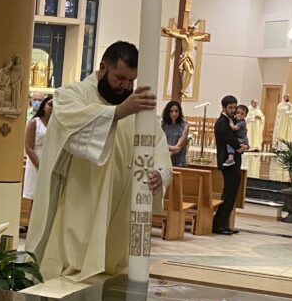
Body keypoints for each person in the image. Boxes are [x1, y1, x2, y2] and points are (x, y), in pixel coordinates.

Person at [26, 41, 170, 282]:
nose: (125, 86)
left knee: (113, 278)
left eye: (131, 81)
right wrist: (119, 112)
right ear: (103, 67)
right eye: (119, 78)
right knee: (70, 277)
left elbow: (158, 143)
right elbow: (72, 128)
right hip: (80, 200)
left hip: (122, 208)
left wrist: (160, 173)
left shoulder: (137, 107)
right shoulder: (72, 94)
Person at [212, 95, 245, 235]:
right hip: (227, 162)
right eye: (230, 107)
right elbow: (230, 139)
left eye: (234, 107)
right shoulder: (222, 122)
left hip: (234, 161)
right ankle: (217, 225)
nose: (233, 110)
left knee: (231, 194)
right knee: (229, 193)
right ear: (223, 107)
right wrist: (240, 146)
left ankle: (223, 224)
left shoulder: (232, 120)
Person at [23, 94, 53, 200]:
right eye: (50, 105)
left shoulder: (56, 125)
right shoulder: (34, 122)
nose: (52, 108)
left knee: (47, 196)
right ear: (43, 106)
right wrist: (40, 166)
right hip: (36, 160)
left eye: (55, 106)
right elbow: (28, 147)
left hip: (50, 160)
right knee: (35, 196)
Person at [161, 100, 190, 168]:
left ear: (179, 112)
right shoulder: (163, 125)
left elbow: (178, 146)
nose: (174, 114)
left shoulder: (185, 126)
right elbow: (160, 143)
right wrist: (170, 149)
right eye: (171, 111)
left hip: (178, 160)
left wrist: (169, 153)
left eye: (176, 111)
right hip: (164, 157)